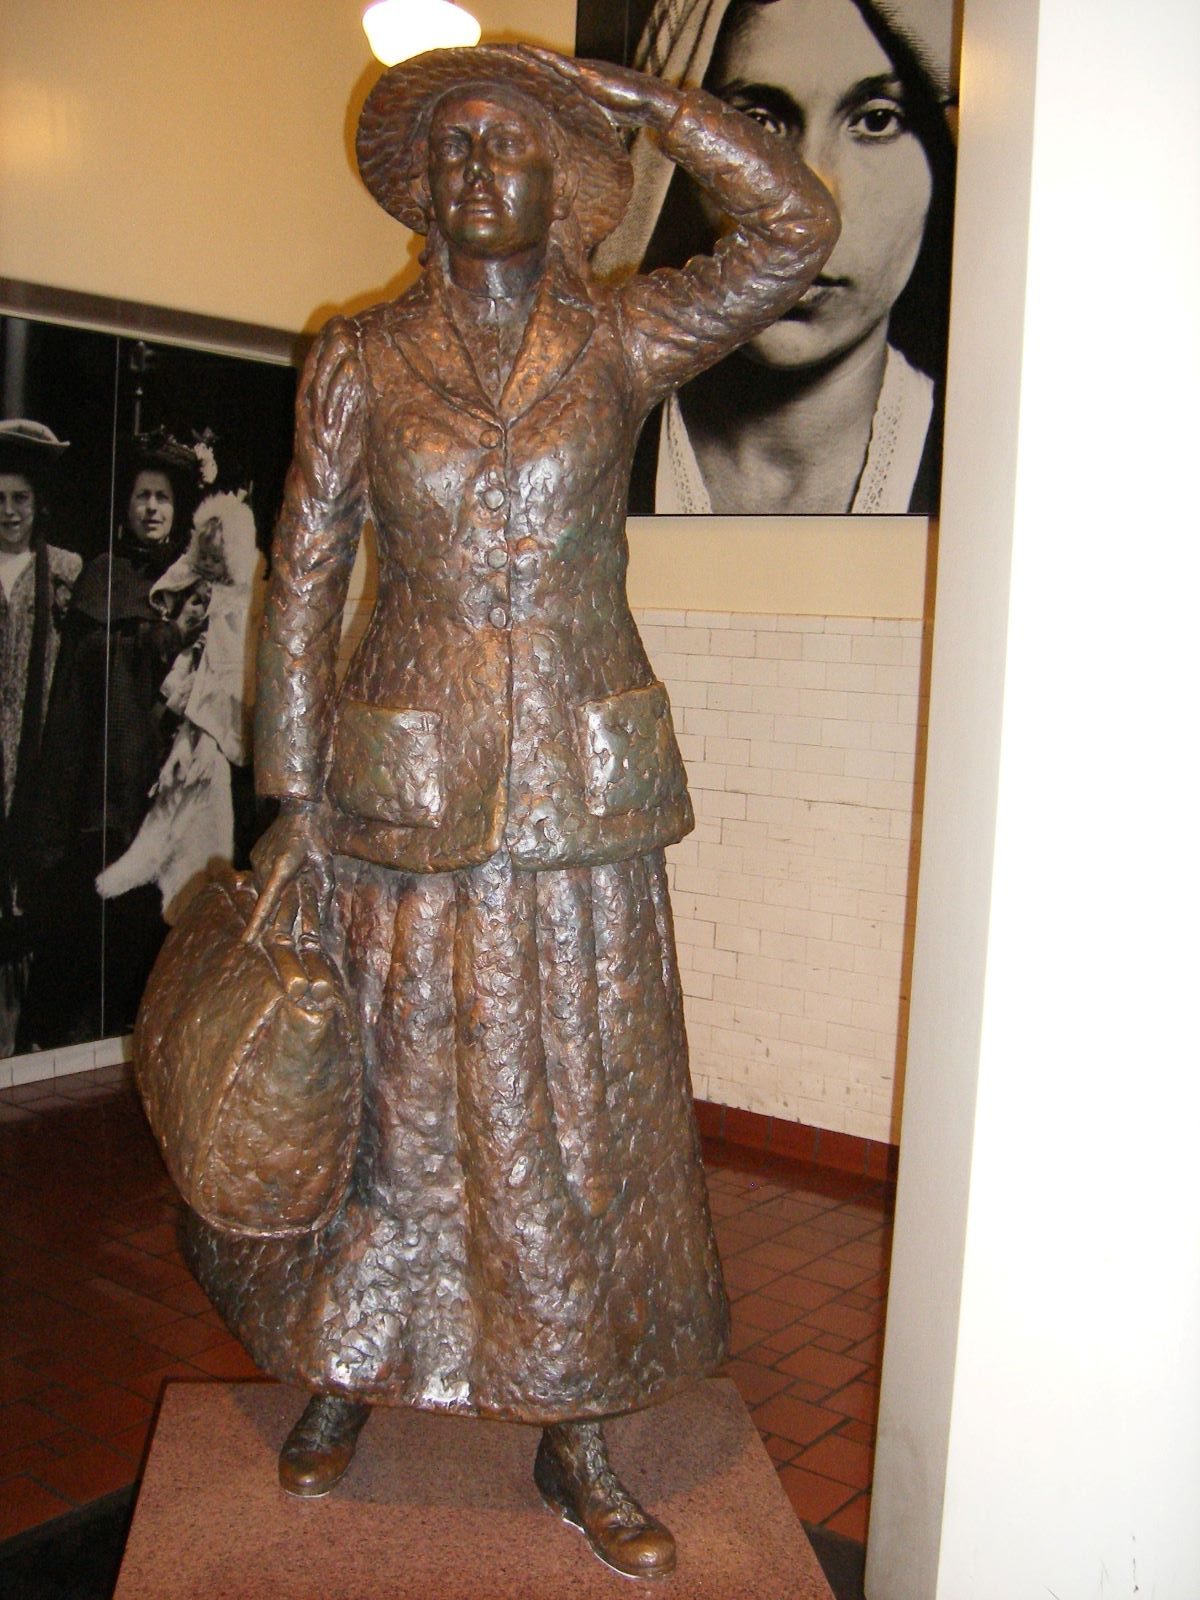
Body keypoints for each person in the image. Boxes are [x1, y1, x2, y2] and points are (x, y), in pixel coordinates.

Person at [181, 43, 837, 1579]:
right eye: (455, 150)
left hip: (578, 802)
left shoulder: (619, 334)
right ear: (422, 187)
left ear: (565, 189)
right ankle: (352, 1368)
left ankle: (581, 1426)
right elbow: (308, 572)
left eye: (512, 148)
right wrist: (293, 793)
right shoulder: (358, 356)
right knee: (391, 1107)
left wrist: (645, 100)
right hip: (401, 793)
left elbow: (795, 232)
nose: (480, 171)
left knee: (578, 1116)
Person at [594, 0, 956, 514]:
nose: (812, 205)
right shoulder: (573, 460)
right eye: (757, 123)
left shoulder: (996, 469)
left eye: (877, 121)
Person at [22, 434, 204, 1047]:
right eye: (141, 497)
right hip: (108, 787)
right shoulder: (104, 579)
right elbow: (71, 700)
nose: (152, 509)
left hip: (176, 785)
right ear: (125, 508)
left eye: (163, 499)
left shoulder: (200, 587)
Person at [95, 491, 262, 924]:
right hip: (184, 707)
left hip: (217, 710)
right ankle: (158, 862)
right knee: (175, 788)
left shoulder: (241, 600)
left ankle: (196, 881)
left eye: (216, 558)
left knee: (207, 786)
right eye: (202, 555)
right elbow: (170, 584)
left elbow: (230, 666)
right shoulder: (199, 587)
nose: (207, 564)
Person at [0, 419, 82, 1053]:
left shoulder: (65, 574)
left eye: (20, 499)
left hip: (38, 765)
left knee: (32, 912)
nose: (8, 512)